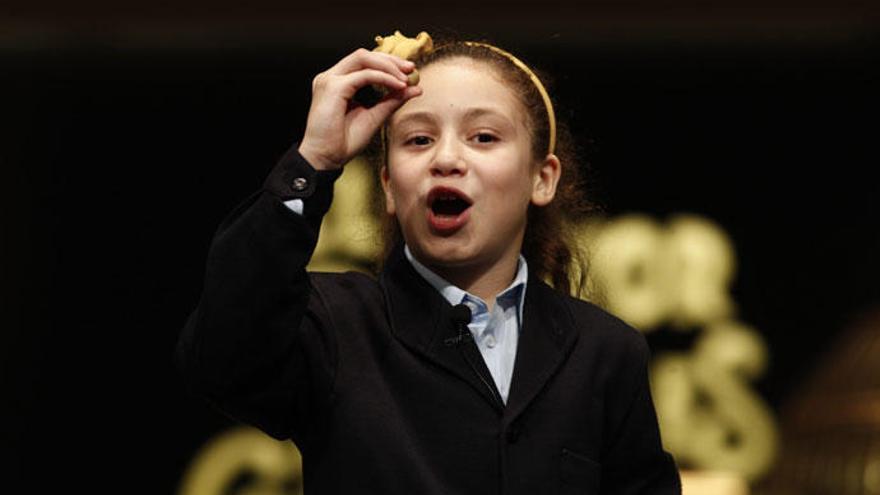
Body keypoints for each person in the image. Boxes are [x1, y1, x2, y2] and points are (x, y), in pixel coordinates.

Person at [176, 34, 681, 494]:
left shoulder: (605, 352)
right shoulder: (336, 326)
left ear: (541, 179)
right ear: (390, 188)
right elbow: (222, 355)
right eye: (418, 139)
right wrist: (314, 161)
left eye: (483, 137)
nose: (446, 159)